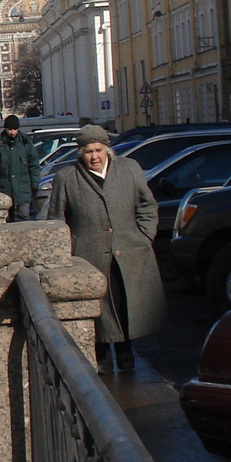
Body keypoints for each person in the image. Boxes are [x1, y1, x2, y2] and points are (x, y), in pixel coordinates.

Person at [50, 124, 166, 370]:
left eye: (98, 150)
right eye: (88, 151)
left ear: (107, 150)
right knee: (98, 309)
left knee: (125, 303)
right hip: (88, 256)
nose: (94, 156)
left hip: (128, 251)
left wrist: (145, 236)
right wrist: (70, 250)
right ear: (80, 153)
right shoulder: (67, 177)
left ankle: (126, 355)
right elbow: (57, 221)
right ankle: (100, 358)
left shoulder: (129, 170)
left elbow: (147, 206)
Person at [0, 114, 42, 221]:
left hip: (23, 188)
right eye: (10, 129)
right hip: (5, 189)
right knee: (6, 218)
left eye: (15, 129)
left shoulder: (25, 143)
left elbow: (34, 165)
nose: (12, 132)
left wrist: (35, 185)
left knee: (24, 215)